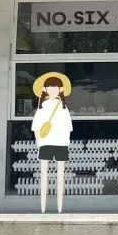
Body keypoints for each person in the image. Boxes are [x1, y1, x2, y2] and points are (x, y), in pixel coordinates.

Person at [31, 72, 73, 213]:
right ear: (45, 89)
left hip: (53, 143)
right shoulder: (43, 107)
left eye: (55, 87)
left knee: (52, 175)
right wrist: (39, 143)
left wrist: (39, 143)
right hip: (53, 143)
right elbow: (37, 127)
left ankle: (55, 207)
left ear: (61, 89)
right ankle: (46, 207)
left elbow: (67, 128)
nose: (53, 89)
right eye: (50, 87)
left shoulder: (62, 107)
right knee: (50, 175)